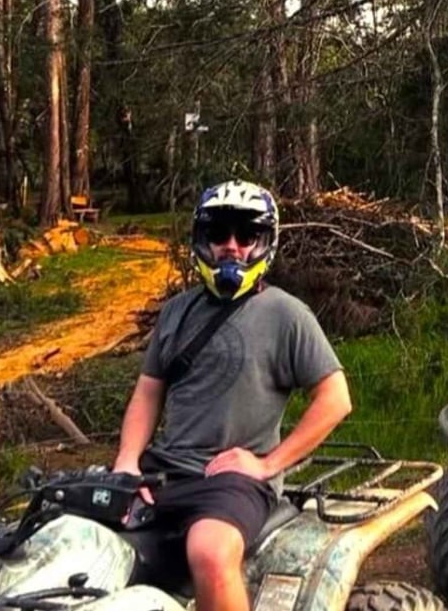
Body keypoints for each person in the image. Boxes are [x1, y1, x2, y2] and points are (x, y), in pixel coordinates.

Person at [113, 182, 352, 611]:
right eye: (219, 234)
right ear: (201, 241)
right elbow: (148, 393)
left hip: (232, 481)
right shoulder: (177, 311)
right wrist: (128, 462)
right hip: (163, 471)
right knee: (72, 532)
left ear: (265, 244)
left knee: (210, 551)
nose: (232, 247)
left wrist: (268, 464)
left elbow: (336, 398)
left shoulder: (285, 313)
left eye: (246, 236)